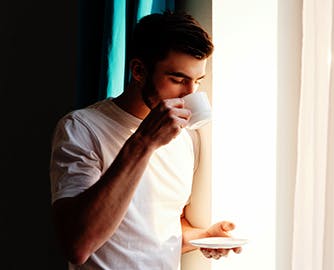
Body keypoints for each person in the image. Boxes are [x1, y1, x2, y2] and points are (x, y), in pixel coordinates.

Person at [49, 10, 241, 270]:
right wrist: (144, 142)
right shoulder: (82, 128)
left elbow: (143, 232)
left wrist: (202, 236)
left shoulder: (186, 138)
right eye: (177, 79)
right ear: (139, 71)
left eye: (197, 81)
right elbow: (78, 245)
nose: (189, 93)